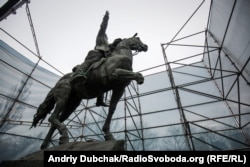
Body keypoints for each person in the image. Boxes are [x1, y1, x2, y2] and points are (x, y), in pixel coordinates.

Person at [71, 11, 121, 107]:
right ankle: (78, 74)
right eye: (105, 36)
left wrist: (116, 43)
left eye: (106, 37)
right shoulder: (100, 36)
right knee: (90, 62)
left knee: (103, 74)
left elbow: (111, 47)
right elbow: (103, 27)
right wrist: (106, 18)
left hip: (104, 57)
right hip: (96, 54)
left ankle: (99, 100)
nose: (106, 37)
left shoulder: (107, 44)